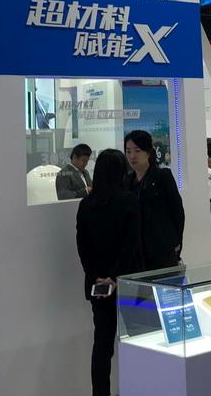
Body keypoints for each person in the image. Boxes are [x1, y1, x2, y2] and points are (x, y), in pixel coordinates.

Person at [76, 149, 142, 396]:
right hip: (127, 282)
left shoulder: (86, 204)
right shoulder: (128, 200)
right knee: (136, 342)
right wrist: (114, 277)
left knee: (102, 346)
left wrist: (98, 276)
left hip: (98, 286)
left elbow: (82, 246)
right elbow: (131, 245)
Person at [125, 130, 184, 269]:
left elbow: (177, 212)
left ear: (148, 152)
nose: (132, 156)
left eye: (137, 151)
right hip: (137, 250)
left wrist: (176, 241)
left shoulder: (162, 176)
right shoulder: (127, 181)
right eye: (128, 151)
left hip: (161, 248)